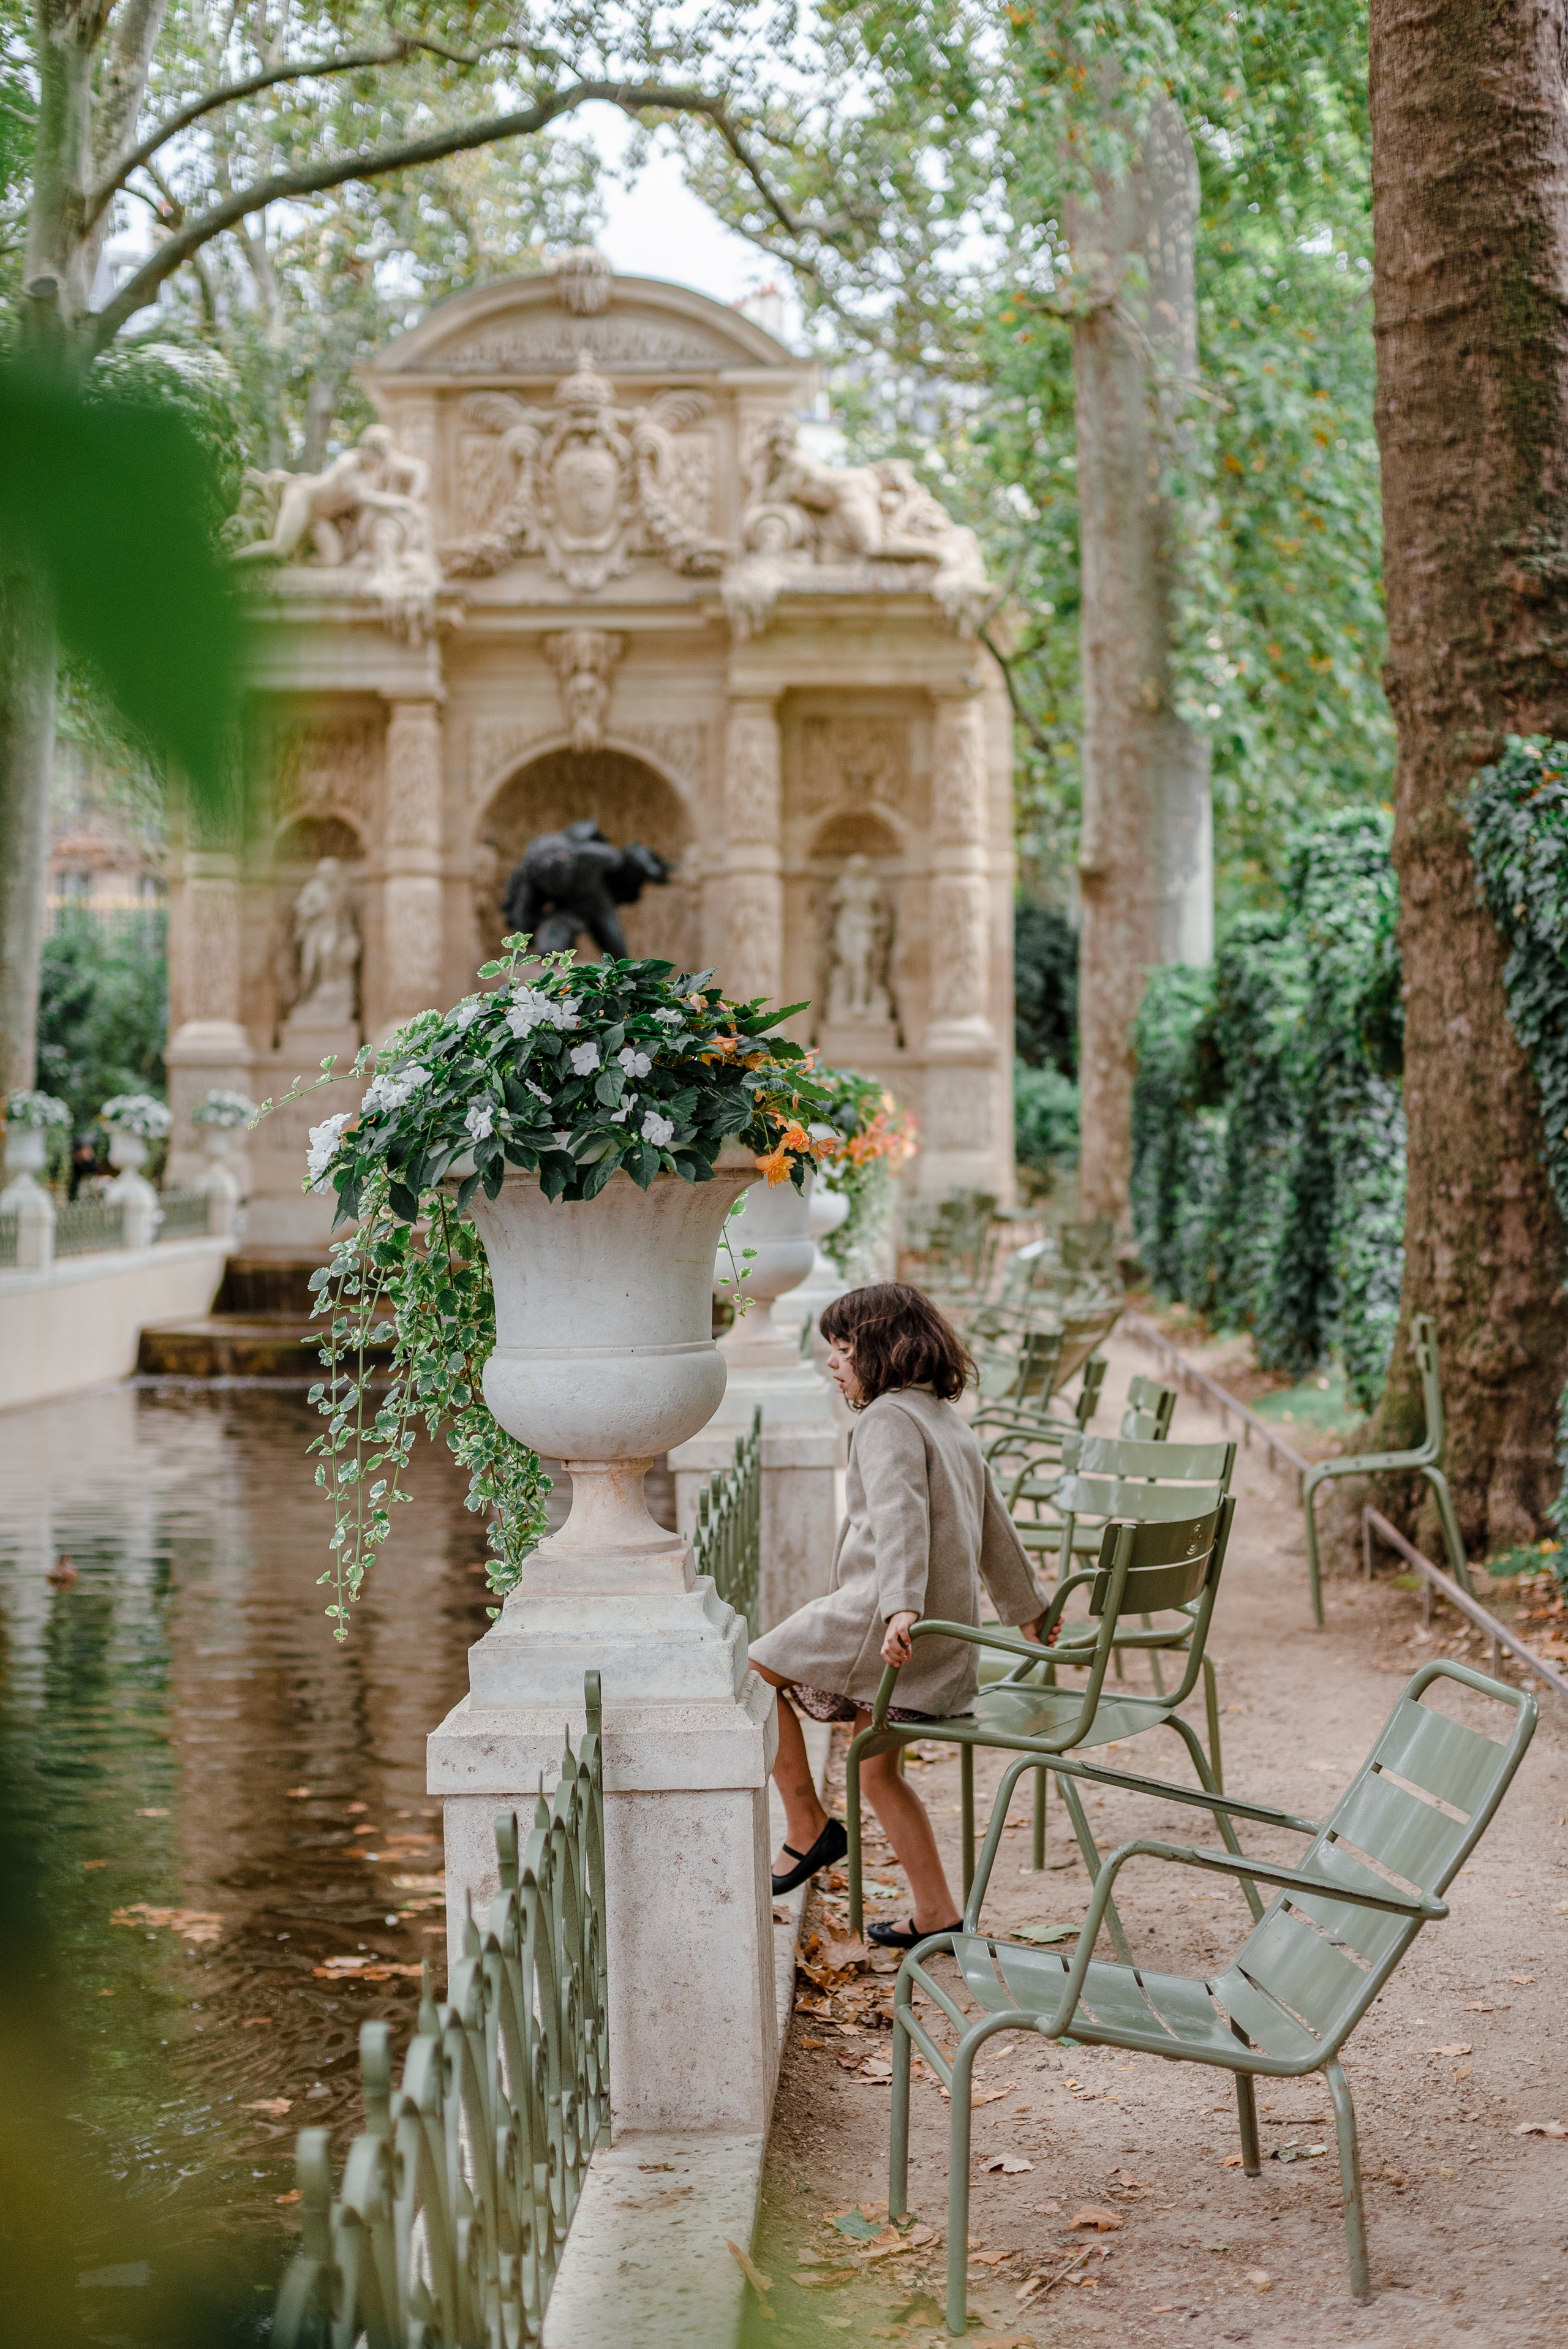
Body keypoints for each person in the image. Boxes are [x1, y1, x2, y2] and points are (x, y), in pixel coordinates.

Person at [747, 1281, 1044, 1948]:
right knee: (876, 1767)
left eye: (843, 1348)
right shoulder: (945, 1416)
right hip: (938, 1635)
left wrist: (899, 1607)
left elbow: (899, 1516)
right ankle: (937, 1911)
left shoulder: (886, 1419)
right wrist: (1028, 1608)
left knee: (751, 1668)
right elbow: (994, 1523)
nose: (833, 1362)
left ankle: (806, 1826)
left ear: (880, 1350)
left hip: (882, 1616)